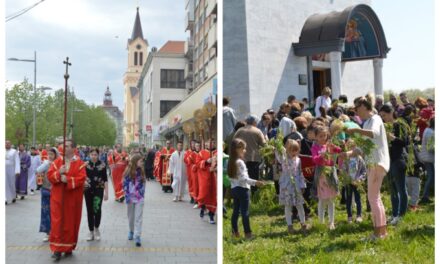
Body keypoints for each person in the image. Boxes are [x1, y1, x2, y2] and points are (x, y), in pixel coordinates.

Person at [346, 94, 390, 240]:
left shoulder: (375, 119)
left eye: (357, 108)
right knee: (375, 198)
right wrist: (345, 154)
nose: (356, 111)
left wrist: (356, 131)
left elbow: (374, 134)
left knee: (373, 198)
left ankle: (378, 233)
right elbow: (362, 149)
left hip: (377, 163)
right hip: (373, 163)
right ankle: (382, 232)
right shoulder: (366, 123)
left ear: (364, 106)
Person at [47, 140, 87, 260]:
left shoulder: (79, 163)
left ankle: (68, 247)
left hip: (72, 200)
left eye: (68, 146)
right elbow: (50, 176)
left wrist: (68, 179)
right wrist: (59, 173)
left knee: (70, 223)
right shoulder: (57, 162)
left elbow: (82, 178)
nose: (64, 148)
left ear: (74, 148)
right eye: (64, 146)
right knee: (57, 223)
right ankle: (57, 249)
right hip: (58, 198)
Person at [228, 138, 264, 239]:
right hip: (243, 189)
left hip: (234, 189)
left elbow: (231, 177)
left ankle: (235, 232)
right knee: (245, 212)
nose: (245, 151)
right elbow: (244, 178)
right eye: (243, 149)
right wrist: (255, 182)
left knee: (235, 211)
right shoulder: (240, 162)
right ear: (237, 149)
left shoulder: (231, 161)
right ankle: (248, 233)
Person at [379, 105, 409, 225]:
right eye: (381, 116)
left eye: (384, 115)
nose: (383, 118)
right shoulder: (385, 126)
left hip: (398, 159)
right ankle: (394, 214)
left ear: (391, 112)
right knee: (392, 190)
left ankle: (401, 215)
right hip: (389, 160)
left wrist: (393, 138)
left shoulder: (399, 124)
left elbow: (405, 142)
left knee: (401, 188)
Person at [311, 126, 341, 230]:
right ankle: (321, 221)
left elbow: (339, 150)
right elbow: (314, 160)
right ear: (316, 137)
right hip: (321, 175)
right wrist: (322, 155)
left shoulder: (329, 145)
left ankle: (331, 222)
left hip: (330, 175)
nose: (323, 138)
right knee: (322, 199)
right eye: (320, 136)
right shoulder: (315, 147)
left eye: (325, 135)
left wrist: (338, 146)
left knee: (331, 199)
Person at [276, 139, 308, 234]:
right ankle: (289, 225)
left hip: (297, 185)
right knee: (288, 205)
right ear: (287, 150)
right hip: (287, 185)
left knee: (300, 205)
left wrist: (302, 185)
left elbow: (300, 172)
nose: (294, 153)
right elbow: (278, 153)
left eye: (296, 150)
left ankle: (303, 223)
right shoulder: (284, 159)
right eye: (292, 150)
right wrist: (278, 146)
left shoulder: (298, 160)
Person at [233, 115, 266, 194]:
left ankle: (244, 194)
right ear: (254, 122)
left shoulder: (240, 130)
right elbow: (264, 144)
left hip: (241, 157)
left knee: (242, 177)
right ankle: (254, 196)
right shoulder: (257, 131)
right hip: (254, 158)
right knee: (253, 177)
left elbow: (234, 142)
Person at [84, 148, 109, 241]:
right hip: (87, 190)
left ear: (98, 155)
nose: (94, 156)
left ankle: (96, 228)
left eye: (95, 154)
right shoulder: (86, 165)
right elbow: (82, 176)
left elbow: (105, 179)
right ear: (89, 155)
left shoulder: (102, 165)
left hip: (99, 190)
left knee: (97, 210)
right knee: (89, 211)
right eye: (92, 154)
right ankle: (90, 231)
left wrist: (107, 192)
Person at [340, 139, 366, 223]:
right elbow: (343, 169)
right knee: (349, 199)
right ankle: (349, 216)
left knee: (358, 199)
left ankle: (359, 215)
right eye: (350, 147)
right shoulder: (346, 159)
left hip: (357, 182)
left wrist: (360, 179)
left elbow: (364, 171)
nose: (352, 149)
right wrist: (348, 179)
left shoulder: (360, 159)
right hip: (348, 183)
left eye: (353, 147)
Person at [123, 154, 146, 247]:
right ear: (136, 162)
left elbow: (144, 184)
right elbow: (124, 185)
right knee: (131, 217)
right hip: (130, 199)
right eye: (141, 161)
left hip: (139, 198)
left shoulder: (142, 172)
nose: (142, 163)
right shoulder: (128, 172)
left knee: (138, 218)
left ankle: (137, 236)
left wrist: (141, 194)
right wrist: (127, 195)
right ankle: (131, 231)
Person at [36, 147, 58, 242]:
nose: (50, 156)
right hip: (45, 190)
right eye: (49, 154)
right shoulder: (45, 163)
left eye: (52, 154)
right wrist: (45, 164)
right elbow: (38, 171)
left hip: (55, 191)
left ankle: (55, 232)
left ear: (55, 155)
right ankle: (47, 233)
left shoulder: (58, 164)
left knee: (55, 212)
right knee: (45, 212)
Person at [197, 140, 217, 224]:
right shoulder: (201, 153)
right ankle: (202, 207)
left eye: (212, 142)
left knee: (213, 196)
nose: (210, 144)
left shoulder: (217, 152)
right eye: (208, 142)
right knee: (204, 194)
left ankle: (211, 215)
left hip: (215, 177)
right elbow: (198, 163)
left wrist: (216, 168)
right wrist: (206, 161)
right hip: (205, 177)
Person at [419, 118, 435, 204]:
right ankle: (425, 197)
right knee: (431, 177)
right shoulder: (431, 133)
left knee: (431, 177)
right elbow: (431, 148)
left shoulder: (427, 130)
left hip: (427, 157)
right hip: (429, 158)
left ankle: (426, 196)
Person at [5, 140, 20, 205]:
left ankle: (13, 196)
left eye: (8, 143)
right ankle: (5, 198)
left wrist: (17, 171)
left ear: (10, 144)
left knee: (11, 183)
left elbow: (17, 161)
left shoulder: (14, 151)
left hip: (11, 169)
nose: (7, 145)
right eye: (6, 143)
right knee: (4, 184)